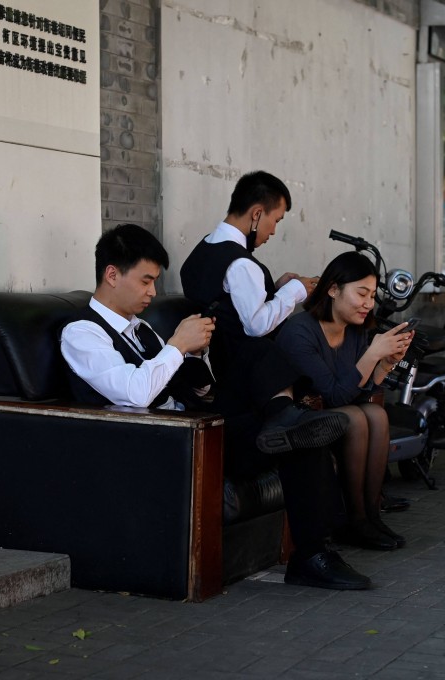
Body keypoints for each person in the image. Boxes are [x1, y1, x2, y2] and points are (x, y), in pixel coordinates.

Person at [63, 223, 369, 591]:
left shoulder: (141, 329)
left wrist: (197, 356)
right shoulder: (82, 332)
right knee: (286, 414)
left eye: (154, 282)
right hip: (161, 447)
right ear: (112, 275)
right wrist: (177, 345)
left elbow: (195, 387)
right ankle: (285, 425)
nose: (152, 292)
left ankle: (313, 552)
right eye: (146, 281)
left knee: (296, 421)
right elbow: (134, 392)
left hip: (197, 426)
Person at [181, 171, 375, 587]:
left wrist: (275, 288)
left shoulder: (200, 254)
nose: (272, 231)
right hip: (235, 397)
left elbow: (232, 312)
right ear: (256, 214)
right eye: (275, 220)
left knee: (304, 440)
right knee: (270, 357)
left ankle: (314, 553)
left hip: (224, 389)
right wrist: (295, 291)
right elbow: (254, 325)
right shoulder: (241, 263)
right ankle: (314, 555)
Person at [276, 252, 412, 550]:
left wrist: (385, 363)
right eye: (361, 293)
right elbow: (334, 395)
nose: (368, 304)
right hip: (301, 419)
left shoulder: (355, 331)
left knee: (376, 414)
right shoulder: (300, 331)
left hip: (336, 413)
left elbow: (359, 393)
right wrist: (372, 354)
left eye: (372, 295)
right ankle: (353, 521)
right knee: (358, 417)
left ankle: (372, 517)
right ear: (333, 289)